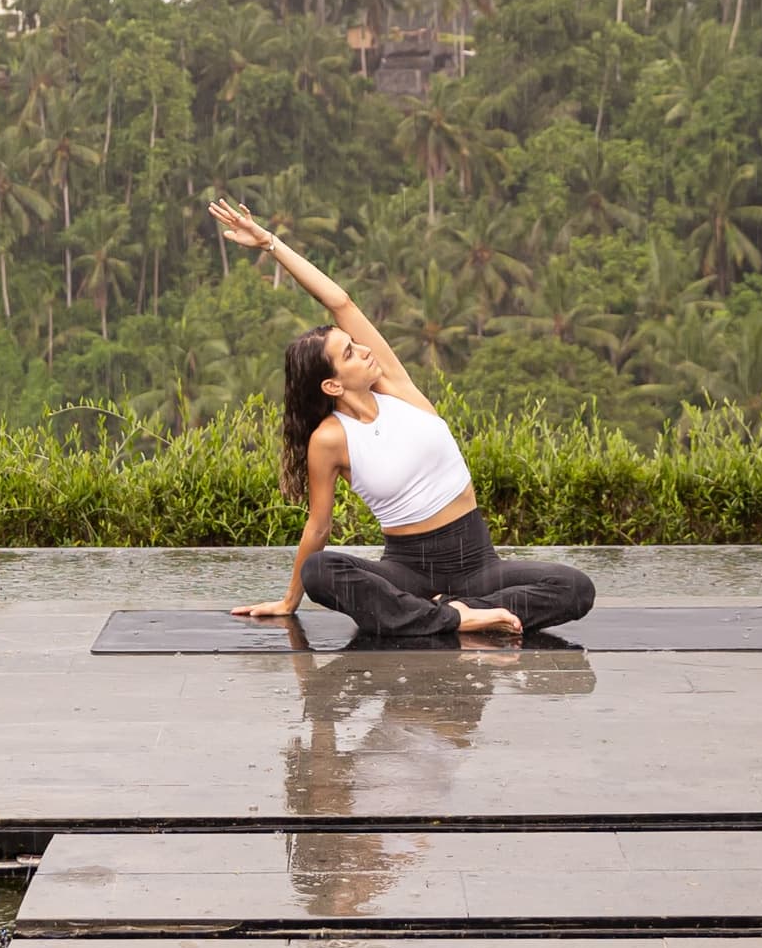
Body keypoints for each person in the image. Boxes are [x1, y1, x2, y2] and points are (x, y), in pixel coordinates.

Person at [209, 199, 597, 640]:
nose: (365, 349)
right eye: (350, 353)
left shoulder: (397, 387)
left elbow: (339, 301)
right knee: (322, 571)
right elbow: (318, 527)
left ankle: (447, 613)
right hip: (408, 570)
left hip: (478, 565)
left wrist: (270, 243)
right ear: (332, 385)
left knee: (575, 589)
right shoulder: (330, 439)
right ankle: (457, 619)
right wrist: (288, 600)